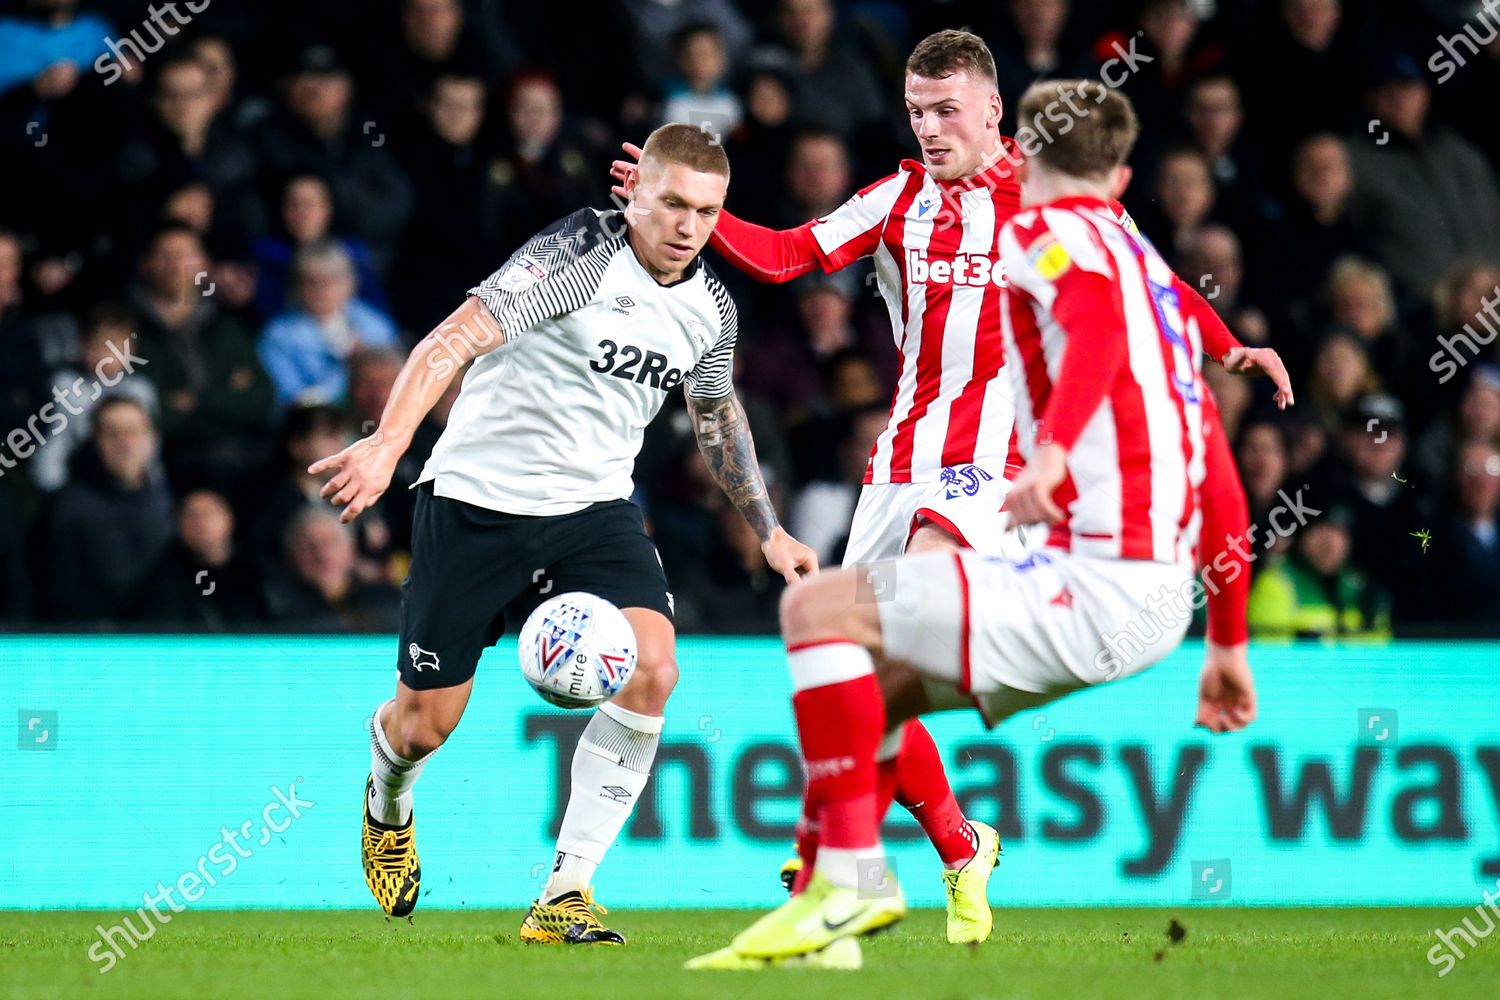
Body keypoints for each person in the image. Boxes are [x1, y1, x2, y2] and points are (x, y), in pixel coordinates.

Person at [612, 29, 1290, 946]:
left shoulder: (1054, 206)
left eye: (945, 111)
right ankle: (956, 842)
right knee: (859, 664)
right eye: (915, 112)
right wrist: (677, 212)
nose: (929, 128)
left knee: (891, 610)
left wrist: (1230, 346)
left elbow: (1151, 291)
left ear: (992, 110)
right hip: (899, 461)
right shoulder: (897, 200)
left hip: (991, 468)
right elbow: (780, 257)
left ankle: (829, 860)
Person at [309, 124, 816, 943]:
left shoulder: (710, 307)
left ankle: (564, 894)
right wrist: (388, 443)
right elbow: (453, 339)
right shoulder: (579, 255)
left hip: (593, 513)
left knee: (653, 671)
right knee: (423, 726)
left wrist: (768, 527)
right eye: (675, 204)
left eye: (709, 211)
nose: (689, 226)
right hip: (477, 503)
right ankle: (387, 798)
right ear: (635, 192)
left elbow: (717, 414)